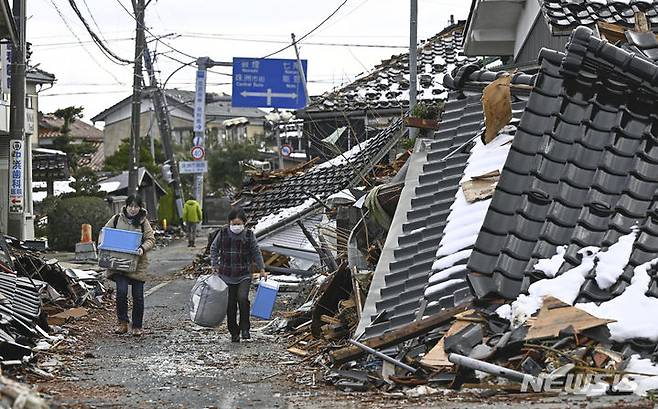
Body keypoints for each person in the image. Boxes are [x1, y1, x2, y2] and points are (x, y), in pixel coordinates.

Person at [210, 207, 267, 343]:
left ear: (244, 223)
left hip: (244, 274)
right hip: (226, 274)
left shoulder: (249, 235)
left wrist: (262, 268)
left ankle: (245, 328)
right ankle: (233, 331)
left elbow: (256, 251)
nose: (236, 226)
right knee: (230, 304)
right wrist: (214, 265)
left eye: (239, 223)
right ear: (229, 223)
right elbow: (214, 248)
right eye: (234, 224)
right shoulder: (223, 233)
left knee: (242, 299)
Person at [103, 195, 156, 337]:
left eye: (136, 206)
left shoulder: (143, 222)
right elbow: (104, 233)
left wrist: (143, 248)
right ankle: (122, 323)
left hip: (138, 264)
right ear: (126, 206)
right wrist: (103, 246)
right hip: (119, 264)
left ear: (140, 207)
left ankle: (137, 326)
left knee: (138, 296)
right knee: (121, 292)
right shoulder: (115, 219)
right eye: (131, 206)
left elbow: (151, 239)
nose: (133, 209)